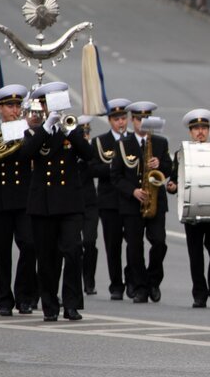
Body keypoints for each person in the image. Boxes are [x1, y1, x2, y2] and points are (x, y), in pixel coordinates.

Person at [21, 82, 94, 321]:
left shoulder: (72, 130)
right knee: (47, 258)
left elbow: (88, 154)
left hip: (70, 203)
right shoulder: (33, 132)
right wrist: (46, 127)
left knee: (73, 251)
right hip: (43, 204)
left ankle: (71, 304)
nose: (50, 107)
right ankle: (50, 305)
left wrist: (69, 131)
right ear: (42, 106)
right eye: (46, 103)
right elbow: (26, 154)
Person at [0, 84, 38, 316]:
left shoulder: (28, 132)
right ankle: (4, 298)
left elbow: (29, 155)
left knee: (29, 245)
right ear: (1, 108)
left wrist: (26, 132)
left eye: (17, 106)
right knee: (2, 252)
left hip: (23, 199)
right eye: (10, 106)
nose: (14, 110)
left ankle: (24, 295)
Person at [111, 101, 173, 304]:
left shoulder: (160, 143)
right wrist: (132, 191)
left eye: (146, 119)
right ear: (132, 120)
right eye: (138, 119)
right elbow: (116, 176)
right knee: (134, 247)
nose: (142, 123)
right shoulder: (123, 144)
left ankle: (153, 280)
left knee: (159, 243)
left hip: (156, 201)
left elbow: (169, 169)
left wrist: (160, 165)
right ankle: (139, 287)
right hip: (132, 203)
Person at [168, 109, 210, 308]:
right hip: (192, 211)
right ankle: (199, 294)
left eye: (203, 128)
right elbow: (175, 180)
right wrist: (173, 186)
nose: (200, 132)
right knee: (196, 256)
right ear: (190, 132)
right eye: (196, 129)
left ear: (208, 130)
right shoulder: (181, 154)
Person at [88, 98, 131, 300]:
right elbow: (93, 168)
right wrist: (116, 169)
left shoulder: (133, 140)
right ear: (110, 121)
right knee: (112, 245)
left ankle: (132, 279)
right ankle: (116, 284)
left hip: (130, 200)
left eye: (123, 118)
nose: (120, 123)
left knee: (133, 243)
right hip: (109, 201)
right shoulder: (99, 142)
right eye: (116, 119)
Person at [75, 115, 99, 296]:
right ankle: (76, 278)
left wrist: (86, 154)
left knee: (89, 241)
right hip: (73, 202)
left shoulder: (91, 150)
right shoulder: (70, 149)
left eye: (87, 132)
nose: (85, 135)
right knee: (73, 245)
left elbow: (100, 169)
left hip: (90, 202)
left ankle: (89, 279)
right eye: (82, 133)